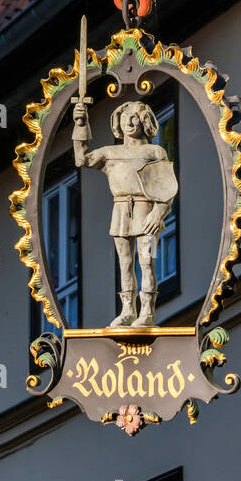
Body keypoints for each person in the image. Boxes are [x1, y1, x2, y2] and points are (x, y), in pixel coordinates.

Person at [71, 98, 177, 327]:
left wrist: (157, 214)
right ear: (117, 121)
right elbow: (82, 158)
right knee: (125, 262)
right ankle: (128, 309)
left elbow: (167, 187)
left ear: (145, 121)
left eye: (136, 116)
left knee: (147, 260)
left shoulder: (154, 152)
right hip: (120, 208)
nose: (130, 120)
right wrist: (81, 123)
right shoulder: (110, 153)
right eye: (125, 115)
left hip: (145, 209)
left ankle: (147, 310)